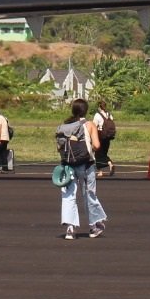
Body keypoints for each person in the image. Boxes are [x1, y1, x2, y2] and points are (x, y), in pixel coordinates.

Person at [54, 98, 106, 238]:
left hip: (68, 165)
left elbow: (59, 147)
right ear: (86, 111)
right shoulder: (89, 124)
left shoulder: (65, 126)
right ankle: (94, 226)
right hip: (86, 164)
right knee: (89, 194)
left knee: (69, 196)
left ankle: (70, 229)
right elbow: (97, 145)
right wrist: (88, 149)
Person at [93, 101, 117, 176]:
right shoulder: (109, 114)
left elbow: (94, 125)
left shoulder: (97, 115)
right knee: (104, 152)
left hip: (100, 136)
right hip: (108, 136)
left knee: (97, 153)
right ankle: (107, 166)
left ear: (99, 107)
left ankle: (104, 168)